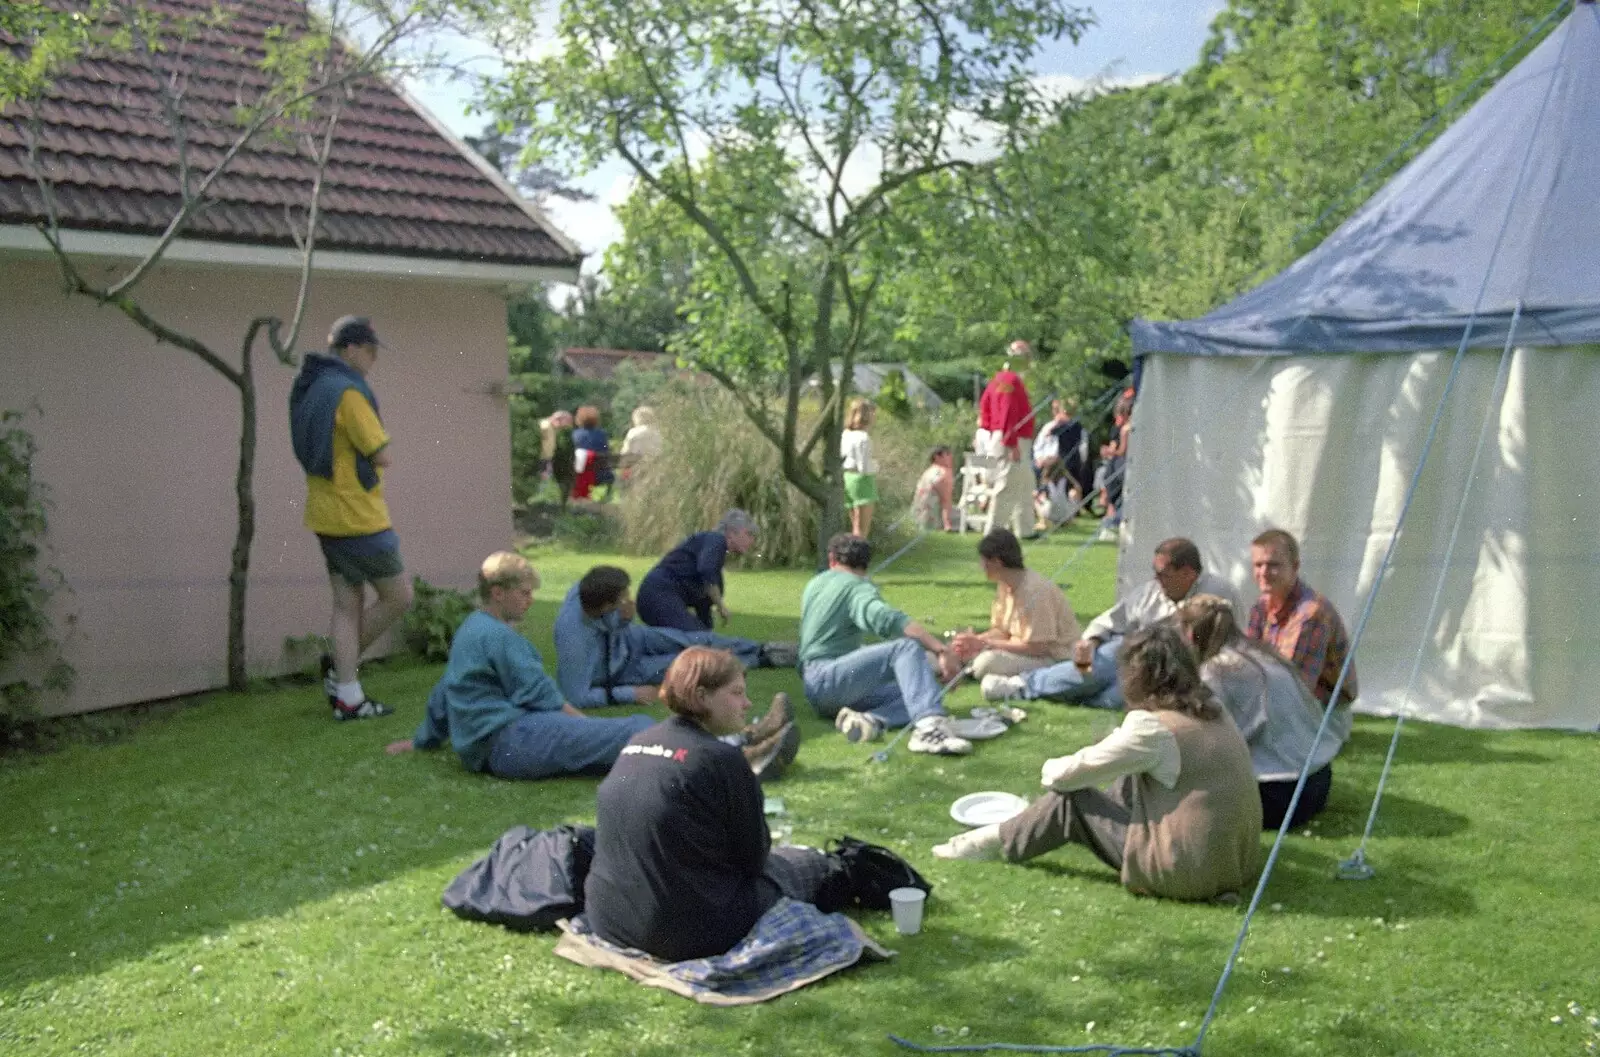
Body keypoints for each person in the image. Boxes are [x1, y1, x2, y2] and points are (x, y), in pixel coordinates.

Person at [931, 624, 1263, 903]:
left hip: (1187, 872)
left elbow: (1064, 777)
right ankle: (1013, 830)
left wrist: (1051, 770)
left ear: (1138, 675)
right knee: (1130, 778)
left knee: (1069, 802)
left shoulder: (1153, 729)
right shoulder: (1212, 707)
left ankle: (984, 842)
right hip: (1238, 864)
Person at [584, 647, 823, 962]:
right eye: (736, 693)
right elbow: (754, 860)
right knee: (807, 865)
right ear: (701, 696)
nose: (747, 703)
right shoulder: (721, 759)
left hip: (610, 921)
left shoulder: (638, 741)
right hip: (687, 935)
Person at [383, 552, 655, 779]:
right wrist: (587, 725)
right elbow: (542, 694)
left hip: (490, 749)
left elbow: (446, 691)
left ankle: (645, 761)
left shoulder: (470, 627)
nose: (531, 600)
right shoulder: (499, 637)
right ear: (498, 593)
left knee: (597, 748)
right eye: (524, 593)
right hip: (512, 742)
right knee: (638, 729)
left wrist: (422, 741)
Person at [288, 315, 413, 720]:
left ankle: (347, 695)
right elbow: (381, 452)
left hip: (324, 512)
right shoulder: (349, 394)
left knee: (347, 604)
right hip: (360, 516)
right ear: (350, 350)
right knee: (398, 596)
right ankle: (343, 675)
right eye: (370, 349)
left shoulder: (311, 388)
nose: (375, 357)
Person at [981, 537, 1243, 708]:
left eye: (1164, 574)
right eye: (1155, 572)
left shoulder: (1218, 595)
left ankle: (1070, 692)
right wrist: (1091, 641)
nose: (1157, 579)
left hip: (1176, 670)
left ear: (1188, 573)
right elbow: (1113, 618)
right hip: (1131, 654)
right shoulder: (1151, 591)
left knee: (1112, 697)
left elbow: (1227, 643)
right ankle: (1023, 685)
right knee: (1100, 658)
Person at [1177, 595, 1350, 829]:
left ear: (1189, 636)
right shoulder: (1266, 656)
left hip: (1280, 795)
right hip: (1319, 782)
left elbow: (1205, 742)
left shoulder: (1218, 671)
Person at [798, 533, 972, 755]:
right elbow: (889, 620)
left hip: (820, 684)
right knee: (905, 648)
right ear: (867, 563)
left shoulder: (815, 583)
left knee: (926, 692)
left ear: (832, 558)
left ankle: (870, 721)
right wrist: (940, 649)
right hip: (830, 680)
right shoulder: (858, 588)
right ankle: (927, 731)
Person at [553, 565, 796, 710]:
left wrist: (625, 619)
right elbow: (575, 696)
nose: (628, 600)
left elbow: (610, 620)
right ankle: (765, 661)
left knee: (692, 639)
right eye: (621, 599)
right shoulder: (573, 640)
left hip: (632, 638)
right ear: (606, 606)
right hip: (624, 670)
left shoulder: (584, 588)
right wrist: (631, 694)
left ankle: (763, 649)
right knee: (690, 663)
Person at [1246, 529, 1358, 709]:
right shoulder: (1260, 607)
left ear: (1295, 567)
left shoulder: (1312, 613)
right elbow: (1250, 662)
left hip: (1325, 709)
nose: (1264, 572)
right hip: (1282, 691)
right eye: (1258, 565)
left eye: (1273, 565)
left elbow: (1295, 687)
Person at [947, 529, 1079, 682]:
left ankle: (966, 665)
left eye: (983, 561)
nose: (981, 566)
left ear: (997, 562)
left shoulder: (1035, 590)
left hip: (1052, 658)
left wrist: (985, 644)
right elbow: (1001, 630)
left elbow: (1038, 648)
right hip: (1017, 650)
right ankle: (955, 661)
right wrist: (973, 641)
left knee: (986, 663)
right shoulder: (1005, 584)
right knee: (957, 650)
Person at [636, 510, 757, 632]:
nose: (752, 540)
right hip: (659, 595)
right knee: (694, 639)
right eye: (749, 534)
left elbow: (704, 600)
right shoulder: (716, 540)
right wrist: (721, 607)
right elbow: (706, 571)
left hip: (655, 596)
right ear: (731, 532)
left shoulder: (712, 548)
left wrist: (707, 630)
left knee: (699, 638)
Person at [976, 340, 1037, 538]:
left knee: (1025, 484)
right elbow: (1008, 412)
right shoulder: (1009, 380)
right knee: (1006, 486)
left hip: (1007, 437)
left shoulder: (999, 379)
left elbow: (984, 408)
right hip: (1012, 439)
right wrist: (1011, 442)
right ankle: (993, 532)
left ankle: (1025, 529)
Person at [840, 397, 878, 538]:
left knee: (854, 525)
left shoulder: (845, 434)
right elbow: (864, 467)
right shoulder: (863, 438)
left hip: (848, 479)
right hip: (862, 481)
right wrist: (876, 466)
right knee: (862, 530)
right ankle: (857, 558)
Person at [570, 405, 613, 501]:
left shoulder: (574, 435)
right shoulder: (602, 435)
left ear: (578, 419)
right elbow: (606, 451)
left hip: (578, 475)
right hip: (601, 475)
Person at [911, 446, 956, 532]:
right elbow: (945, 499)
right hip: (931, 514)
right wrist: (947, 523)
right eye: (947, 454)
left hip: (918, 513)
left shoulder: (929, 471)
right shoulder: (943, 472)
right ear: (937, 457)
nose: (950, 457)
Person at [618, 405, 663, 484]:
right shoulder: (657, 433)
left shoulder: (633, 432)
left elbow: (626, 452)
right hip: (654, 466)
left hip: (636, 467)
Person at [538, 409, 575, 497]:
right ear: (558, 419)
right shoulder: (545, 426)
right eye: (566, 422)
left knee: (546, 481)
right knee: (542, 482)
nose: (565, 426)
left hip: (546, 459)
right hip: (541, 459)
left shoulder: (551, 427)